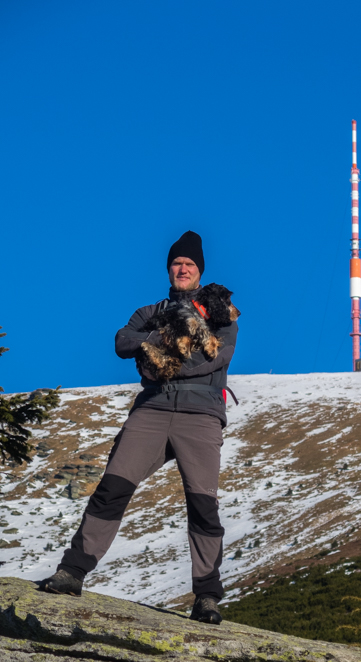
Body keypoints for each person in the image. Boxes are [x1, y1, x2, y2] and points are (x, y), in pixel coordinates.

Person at [41, 230, 238, 625]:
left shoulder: (221, 311)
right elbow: (122, 340)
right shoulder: (150, 311)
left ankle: (207, 598)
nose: (183, 268)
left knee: (203, 507)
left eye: (190, 264)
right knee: (112, 489)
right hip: (151, 410)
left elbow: (211, 360)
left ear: (200, 271)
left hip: (200, 416)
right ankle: (72, 572)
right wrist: (160, 338)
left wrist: (157, 357)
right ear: (169, 269)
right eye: (177, 263)